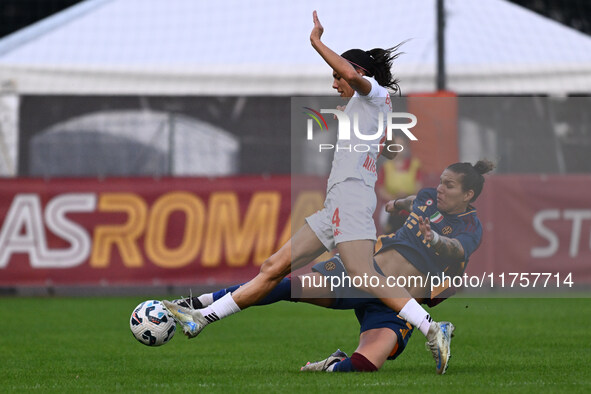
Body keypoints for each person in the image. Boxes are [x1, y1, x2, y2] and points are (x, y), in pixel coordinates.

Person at [164, 12, 472, 375]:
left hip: (353, 199)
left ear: (352, 70)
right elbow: (386, 144)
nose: (334, 84)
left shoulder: (373, 92)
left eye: (336, 76)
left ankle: (434, 329)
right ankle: (201, 317)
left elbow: (358, 79)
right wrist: (377, 142)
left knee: (363, 276)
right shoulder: (368, 107)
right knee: (272, 267)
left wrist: (317, 43)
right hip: (334, 206)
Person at [167, 160, 494, 374]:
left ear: (468, 194)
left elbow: (453, 248)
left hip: (398, 307)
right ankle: (196, 307)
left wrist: (433, 239)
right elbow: (412, 201)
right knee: (286, 286)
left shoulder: (471, 227)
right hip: (361, 276)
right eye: (441, 181)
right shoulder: (426, 197)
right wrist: (396, 204)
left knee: (365, 365)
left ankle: (331, 364)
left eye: (449, 186)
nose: (439, 188)